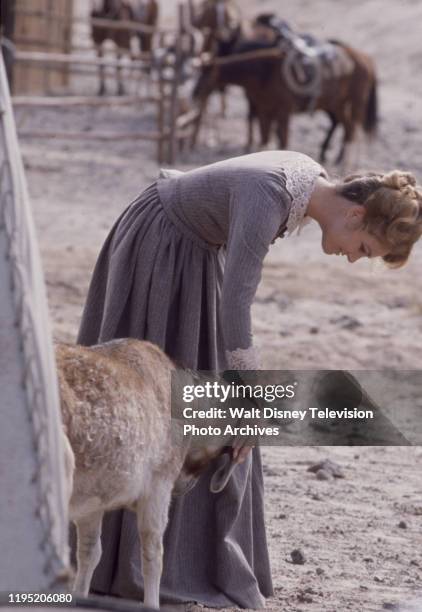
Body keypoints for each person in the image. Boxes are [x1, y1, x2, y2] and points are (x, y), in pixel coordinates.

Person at [77, 150, 422, 609]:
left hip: (194, 255)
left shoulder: (307, 180)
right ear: (356, 214)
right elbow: (236, 305)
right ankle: (121, 565)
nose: (354, 260)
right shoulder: (270, 195)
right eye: (363, 249)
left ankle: (192, 561)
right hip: (159, 246)